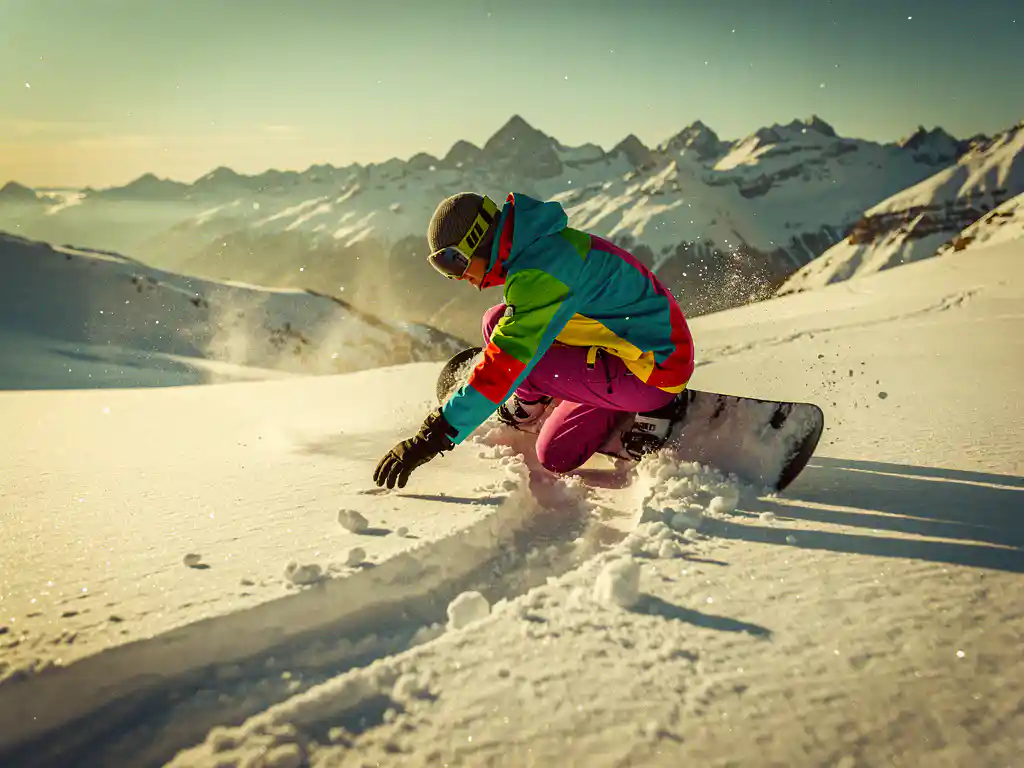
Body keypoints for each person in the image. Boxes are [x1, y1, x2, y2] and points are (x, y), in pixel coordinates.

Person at [373, 192, 695, 490]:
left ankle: (537, 403)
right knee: (497, 324)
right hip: (629, 346)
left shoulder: (541, 272)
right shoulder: (537, 247)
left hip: (653, 369)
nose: (458, 277)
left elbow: (504, 365)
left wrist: (432, 437)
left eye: (454, 262)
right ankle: (548, 395)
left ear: (478, 239)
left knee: (526, 376)